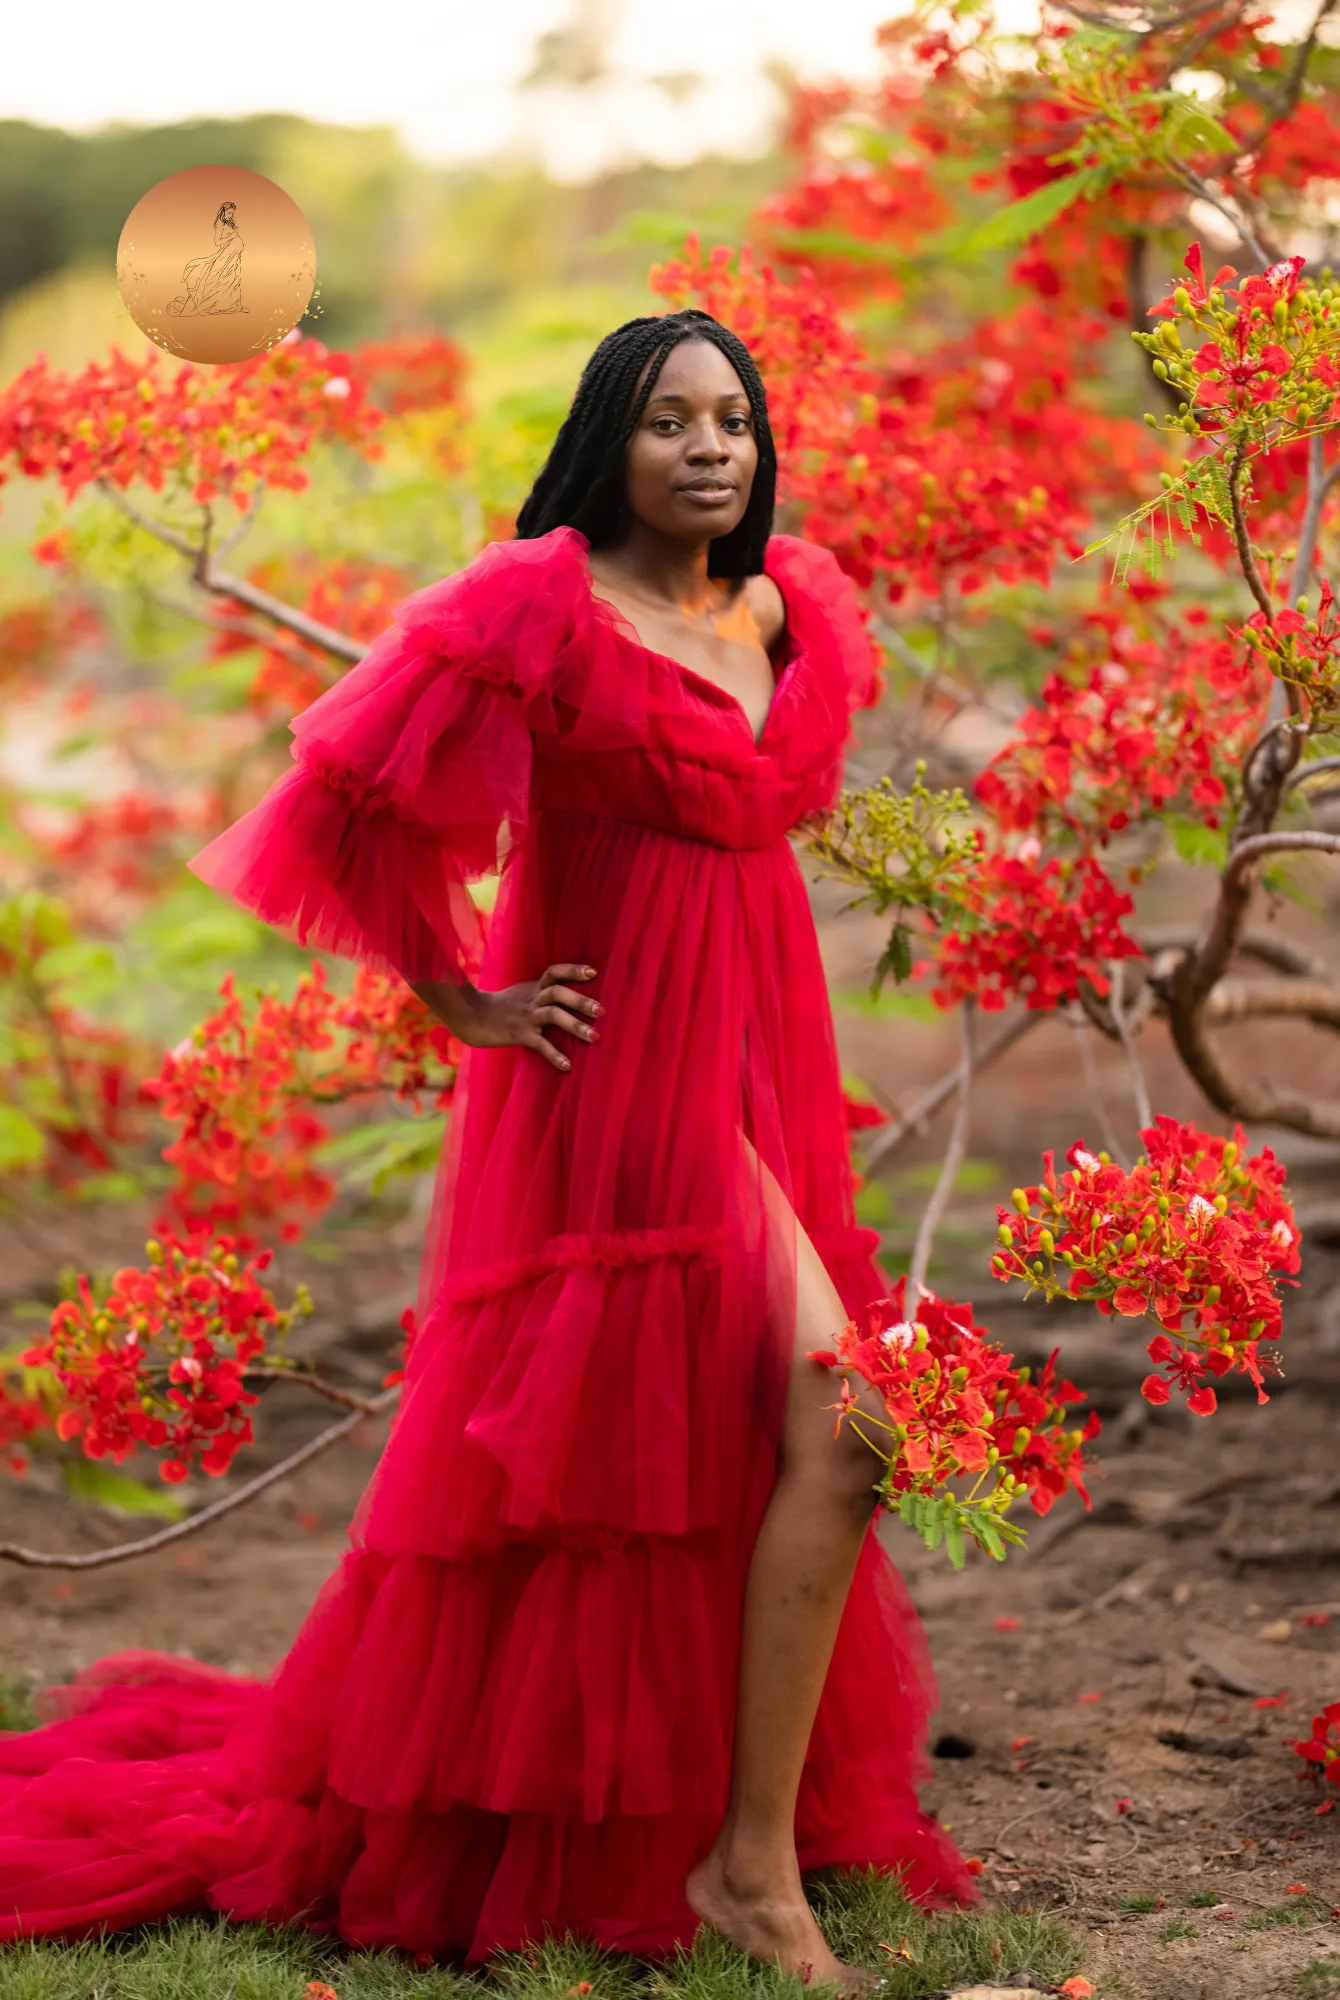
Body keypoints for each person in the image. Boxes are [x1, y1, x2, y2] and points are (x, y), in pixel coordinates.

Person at [0, 309, 973, 1984]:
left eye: (731, 419)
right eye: (669, 420)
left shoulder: (789, 608)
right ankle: (748, 1877)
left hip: (760, 1057)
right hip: (617, 1077)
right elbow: (345, 800)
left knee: (730, 1439)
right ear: (613, 440)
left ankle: (724, 1837)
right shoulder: (538, 603)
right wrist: (465, 1000)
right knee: (851, 1426)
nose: (708, 448)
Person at [166, 201, 248, 317]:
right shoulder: (220, 225)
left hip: (233, 257)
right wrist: (231, 237)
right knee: (220, 282)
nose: (231, 215)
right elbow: (217, 242)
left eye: (232, 213)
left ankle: (234, 306)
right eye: (229, 212)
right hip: (225, 257)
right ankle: (213, 306)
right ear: (223, 212)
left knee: (233, 282)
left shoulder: (229, 223)